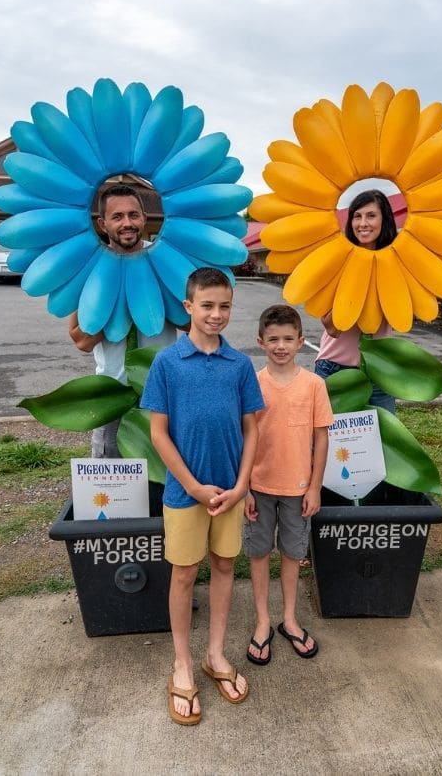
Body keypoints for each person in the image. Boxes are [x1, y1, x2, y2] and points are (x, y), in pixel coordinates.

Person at [140, 267, 264, 726]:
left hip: (230, 491)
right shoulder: (167, 364)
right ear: (188, 307)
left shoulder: (240, 365)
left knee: (226, 565)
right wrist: (192, 485)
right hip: (184, 492)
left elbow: (252, 428)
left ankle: (214, 654)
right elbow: (158, 432)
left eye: (225, 306)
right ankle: (183, 663)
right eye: (207, 305)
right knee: (185, 573)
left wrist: (242, 484)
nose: (216, 314)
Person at [244, 304, 333, 664]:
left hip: (298, 490)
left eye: (288, 339)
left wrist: (314, 486)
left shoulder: (314, 385)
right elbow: (244, 435)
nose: (280, 346)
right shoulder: (252, 383)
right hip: (259, 486)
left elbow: (322, 438)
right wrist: (245, 486)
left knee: (293, 555)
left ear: (301, 342)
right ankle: (263, 621)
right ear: (261, 342)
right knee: (259, 553)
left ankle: (290, 619)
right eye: (273, 339)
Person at [69, 183, 177, 457]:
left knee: (166, 485)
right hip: (112, 396)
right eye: (117, 217)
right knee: (111, 486)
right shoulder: (90, 267)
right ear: (103, 224)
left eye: (133, 215)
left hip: (162, 393)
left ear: (144, 218)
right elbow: (82, 340)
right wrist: (121, 302)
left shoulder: (164, 260)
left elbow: (192, 323)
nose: (127, 223)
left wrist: (153, 295)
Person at [314, 189, 397, 414]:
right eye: (357, 216)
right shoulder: (338, 260)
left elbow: (400, 318)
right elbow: (331, 328)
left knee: (380, 445)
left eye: (371, 215)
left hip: (379, 370)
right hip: (334, 366)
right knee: (330, 445)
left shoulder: (398, 262)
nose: (363, 223)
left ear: (384, 219)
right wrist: (357, 285)